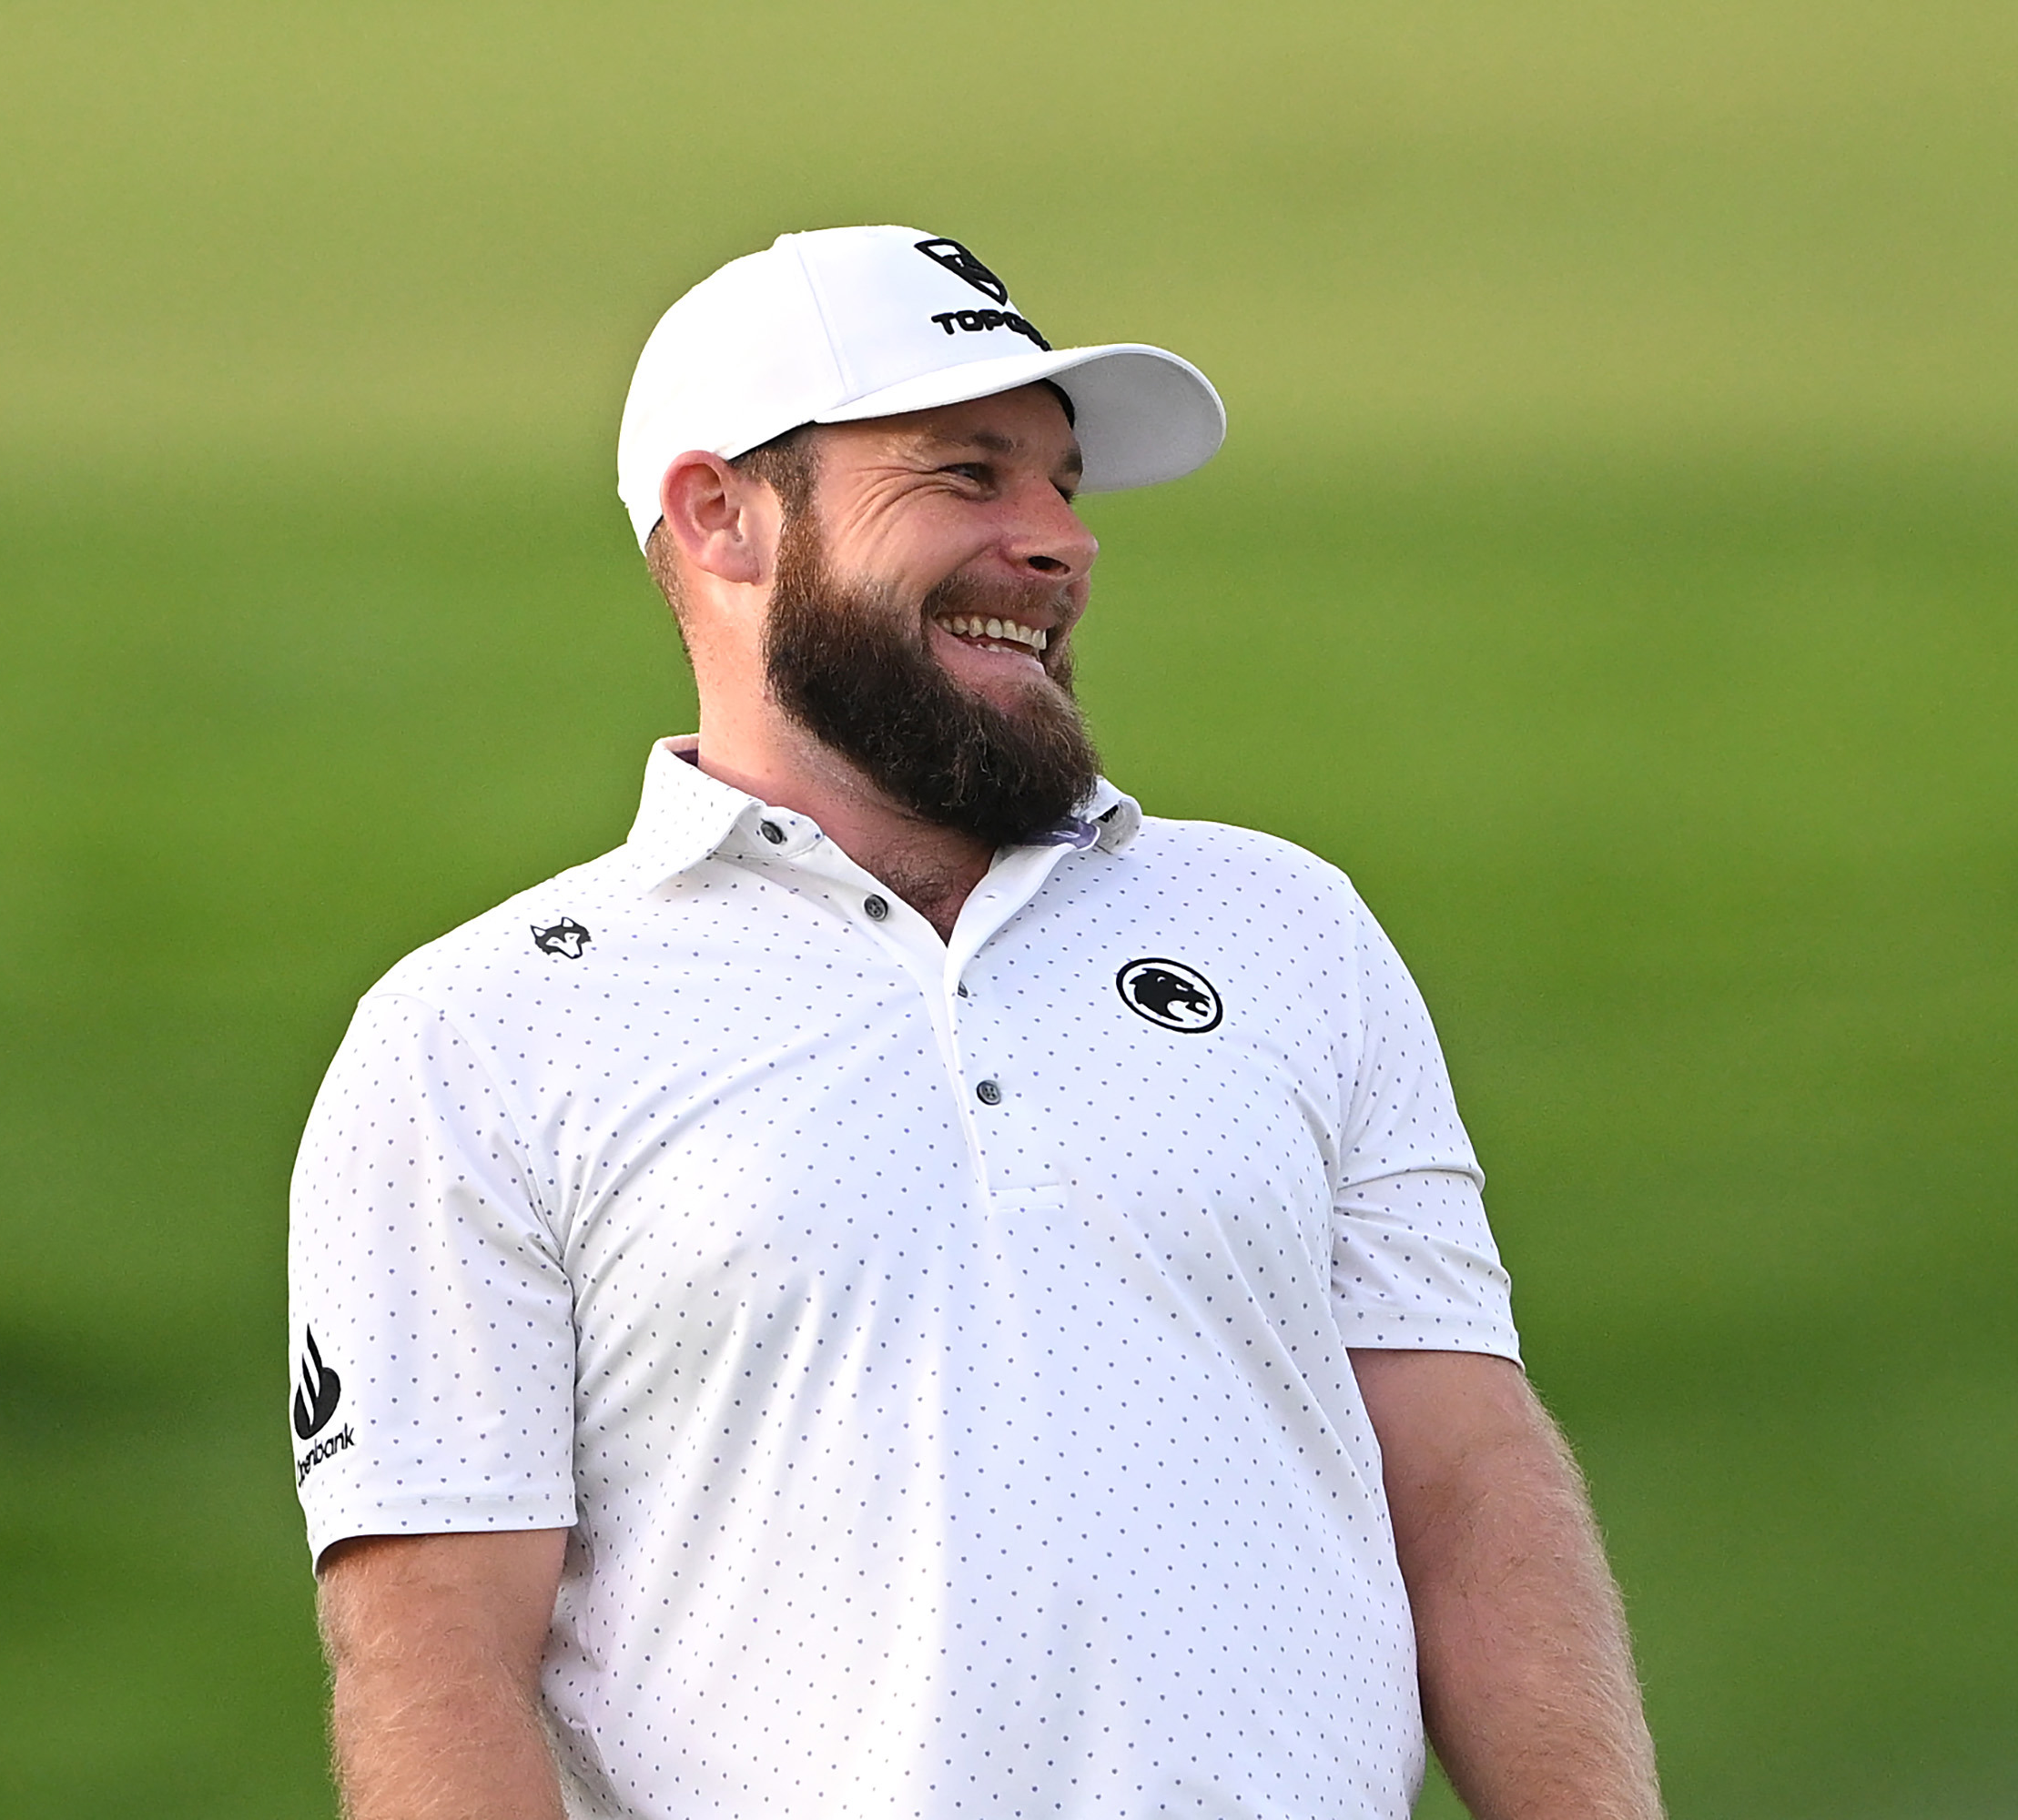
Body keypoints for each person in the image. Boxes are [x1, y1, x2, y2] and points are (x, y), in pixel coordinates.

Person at [289, 224, 1662, 1820]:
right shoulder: (482, 1034)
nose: (1059, 542)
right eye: (967, 475)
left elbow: (1469, 1479)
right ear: (720, 514)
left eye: (1063, 486)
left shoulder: (1287, 929)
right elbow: (435, 1648)